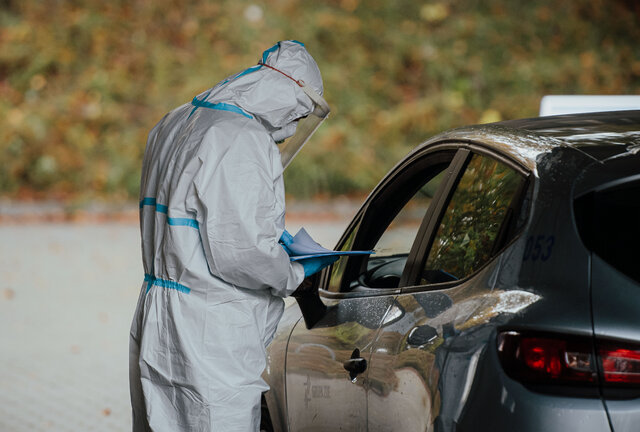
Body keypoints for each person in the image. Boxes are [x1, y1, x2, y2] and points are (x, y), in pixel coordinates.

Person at [129, 40, 335, 431]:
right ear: (287, 93)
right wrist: (295, 275)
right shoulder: (239, 137)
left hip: (160, 312)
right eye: (301, 111)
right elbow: (241, 254)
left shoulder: (174, 122)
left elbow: (199, 222)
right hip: (212, 329)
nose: (294, 126)